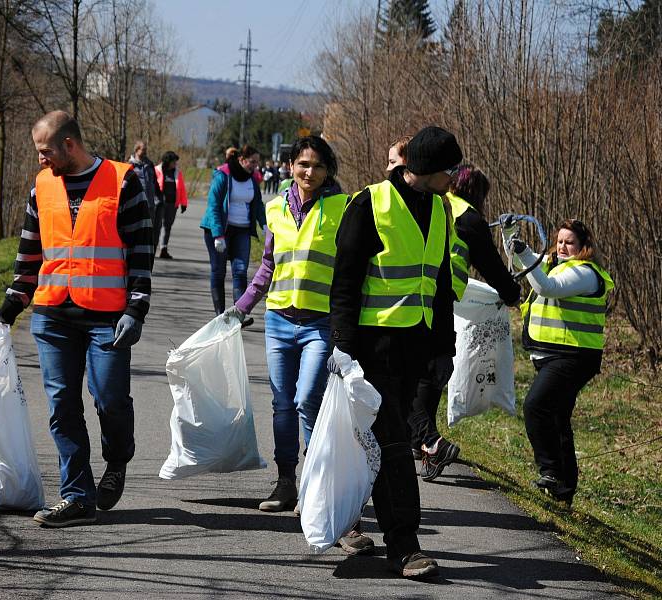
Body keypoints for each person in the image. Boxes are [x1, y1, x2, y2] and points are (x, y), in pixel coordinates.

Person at [0, 111, 153, 527]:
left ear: (69, 146)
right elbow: (29, 257)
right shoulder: (42, 187)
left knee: (109, 398)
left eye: (45, 152)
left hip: (108, 317)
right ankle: (77, 495)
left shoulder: (123, 181)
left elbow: (141, 254)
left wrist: (136, 308)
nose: (41, 160)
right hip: (53, 315)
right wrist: (7, 311)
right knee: (62, 404)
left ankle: (116, 461)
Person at [222, 136, 370, 552]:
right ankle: (286, 480)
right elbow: (267, 266)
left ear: (328, 172)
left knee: (308, 399)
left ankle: (314, 485)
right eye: (303, 164)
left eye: (318, 166)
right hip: (279, 320)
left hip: (320, 324)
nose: (310, 172)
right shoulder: (274, 208)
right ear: (290, 166)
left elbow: (352, 265)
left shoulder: (342, 208)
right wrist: (241, 307)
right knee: (282, 402)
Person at [328, 126, 462, 579]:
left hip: (418, 349)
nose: (454, 178)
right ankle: (405, 545)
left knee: (390, 443)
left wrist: (445, 348)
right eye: (449, 170)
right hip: (373, 347)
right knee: (393, 445)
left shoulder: (441, 211)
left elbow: (440, 285)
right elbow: (344, 280)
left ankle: (353, 518)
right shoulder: (370, 204)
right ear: (425, 168)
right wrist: (343, 348)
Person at [409, 165, 521, 481]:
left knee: (429, 373)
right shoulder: (470, 218)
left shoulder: (431, 203)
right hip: (441, 301)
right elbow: (493, 268)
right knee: (428, 373)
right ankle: (429, 440)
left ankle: (421, 442)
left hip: (415, 295)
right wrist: (513, 294)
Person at [510, 219, 613, 506]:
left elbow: (547, 288)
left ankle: (551, 472)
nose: (563, 246)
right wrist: (515, 241)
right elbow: (533, 277)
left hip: (574, 357)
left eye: (570, 242)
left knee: (535, 406)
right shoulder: (556, 266)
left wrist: (524, 253)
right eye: (559, 241)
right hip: (553, 355)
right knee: (557, 419)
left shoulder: (584, 273)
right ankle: (564, 490)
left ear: (583, 247)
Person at [200, 144, 265, 325]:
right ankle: (219, 315)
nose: (255, 166)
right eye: (252, 162)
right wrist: (218, 235)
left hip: (242, 230)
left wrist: (265, 224)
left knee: (240, 271)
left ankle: (238, 315)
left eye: (257, 162)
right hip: (220, 230)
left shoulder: (252, 180)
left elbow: (258, 204)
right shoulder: (223, 175)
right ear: (242, 160)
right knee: (219, 271)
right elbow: (213, 205)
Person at [154, 151, 188, 260]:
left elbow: (181, 189)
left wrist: (183, 203)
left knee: (167, 226)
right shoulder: (157, 170)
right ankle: (153, 248)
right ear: (168, 161)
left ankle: (163, 249)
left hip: (172, 204)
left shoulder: (177, 173)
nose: (175, 164)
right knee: (157, 226)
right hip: (159, 204)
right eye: (174, 162)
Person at [128, 140, 162, 212]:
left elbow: (155, 181)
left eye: (146, 150)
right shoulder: (129, 165)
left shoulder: (150, 164)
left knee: (151, 223)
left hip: (150, 204)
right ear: (137, 150)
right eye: (143, 150)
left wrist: (159, 196)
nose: (145, 152)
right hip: (136, 205)